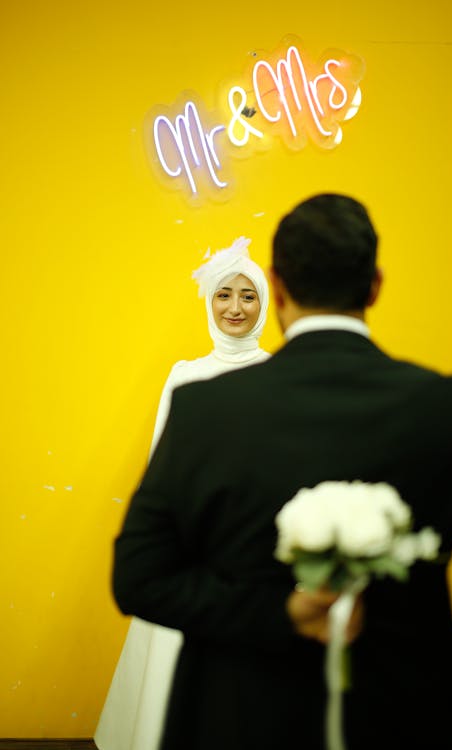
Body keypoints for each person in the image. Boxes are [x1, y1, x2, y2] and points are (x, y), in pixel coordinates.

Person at [111, 194, 452, 750]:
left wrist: (280, 613)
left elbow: (139, 578)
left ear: (276, 287)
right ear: (375, 286)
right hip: (401, 722)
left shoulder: (206, 410)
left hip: (235, 719)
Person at [94, 237, 270, 750]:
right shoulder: (185, 375)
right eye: (224, 295)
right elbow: (161, 470)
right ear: (209, 302)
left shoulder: (277, 375)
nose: (235, 307)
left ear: (264, 303)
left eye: (247, 295)